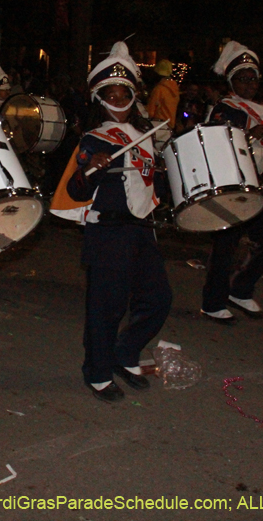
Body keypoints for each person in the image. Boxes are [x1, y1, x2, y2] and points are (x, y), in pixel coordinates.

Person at [51, 41, 172, 403]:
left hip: (140, 230)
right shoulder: (93, 139)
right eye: (111, 93)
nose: (118, 98)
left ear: (133, 95)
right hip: (108, 233)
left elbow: (153, 183)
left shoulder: (146, 136)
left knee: (158, 298)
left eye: (124, 92)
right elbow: (75, 187)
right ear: (100, 98)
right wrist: (94, 168)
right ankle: (98, 371)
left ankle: (125, 352)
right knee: (107, 308)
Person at [200, 41, 263, 324]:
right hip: (228, 184)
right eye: (243, 79)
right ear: (231, 82)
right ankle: (212, 303)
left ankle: (241, 289)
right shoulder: (224, 108)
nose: (249, 83)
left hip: (253, 185)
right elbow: (217, 142)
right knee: (225, 247)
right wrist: (249, 133)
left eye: (253, 78)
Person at [145, 58, 179, 128]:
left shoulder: (159, 89)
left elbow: (150, 111)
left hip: (159, 126)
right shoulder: (174, 88)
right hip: (170, 126)